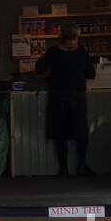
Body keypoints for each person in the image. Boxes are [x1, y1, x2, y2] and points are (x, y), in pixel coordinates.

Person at [36, 24, 97, 177]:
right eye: (72, 39)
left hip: (57, 95)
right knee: (81, 133)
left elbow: (39, 68)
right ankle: (81, 166)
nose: (72, 42)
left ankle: (63, 168)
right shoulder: (82, 53)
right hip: (77, 96)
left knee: (60, 133)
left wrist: (51, 72)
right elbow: (91, 74)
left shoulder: (53, 52)